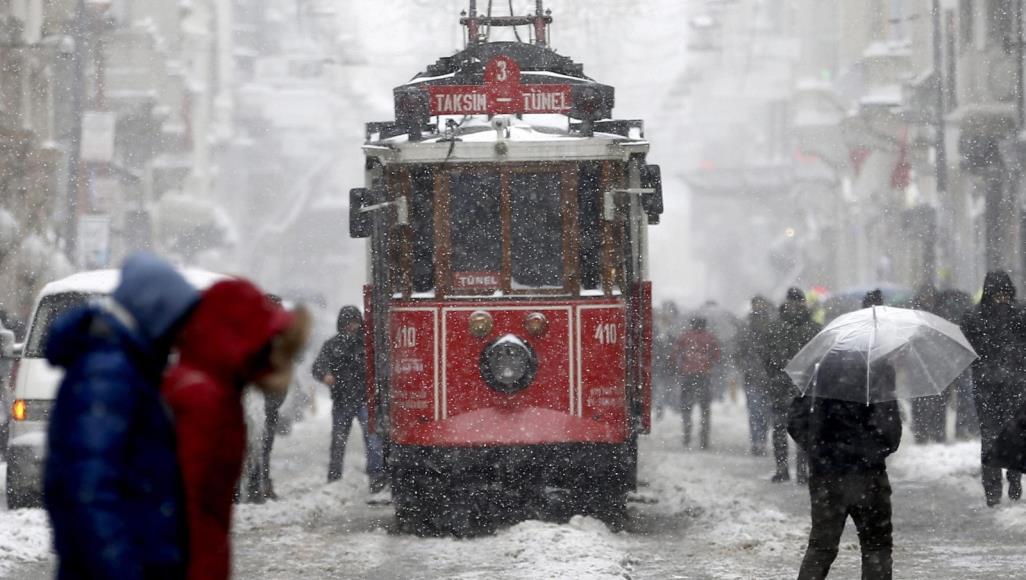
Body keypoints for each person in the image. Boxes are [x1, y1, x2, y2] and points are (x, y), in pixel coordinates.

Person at [43, 253, 199, 579]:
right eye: (174, 321)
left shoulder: (123, 365)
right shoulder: (108, 372)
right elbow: (90, 491)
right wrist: (121, 568)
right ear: (153, 312)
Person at [162, 279, 309, 580]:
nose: (272, 350)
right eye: (265, 340)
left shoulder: (221, 391)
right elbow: (183, 514)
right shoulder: (201, 399)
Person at [788, 353, 902, 580]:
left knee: (821, 545)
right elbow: (890, 431)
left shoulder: (817, 367)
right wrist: (872, 451)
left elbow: (795, 420)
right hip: (869, 475)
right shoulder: (878, 368)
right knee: (876, 545)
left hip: (826, 474)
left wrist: (818, 448)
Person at [961, 271, 1025, 506]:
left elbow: (965, 350)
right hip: (1009, 385)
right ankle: (1001, 486)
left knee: (993, 437)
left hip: (990, 385)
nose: (1001, 298)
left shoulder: (973, 316)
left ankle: (997, 488)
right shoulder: (1020, 313)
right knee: (1003, 436)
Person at [313, 305, 387, 490]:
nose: (352, 327)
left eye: (354, 322)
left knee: (372, 441)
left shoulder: (367, 344)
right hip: (343, 400)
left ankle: (376, 477)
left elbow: (380, 368)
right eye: (349, 323)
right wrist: (325, 376)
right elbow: (317, 368)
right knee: (340, 441)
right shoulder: (333, 345)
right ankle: (335, 477)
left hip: (363, 400)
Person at [767, 287, 821, 484]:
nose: (795, 306)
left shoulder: (813, 329)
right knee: (782, 428)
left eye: (798, 302)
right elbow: (767, 356)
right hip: (784, 386)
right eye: (792, 301)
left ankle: (800, 471)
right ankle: (784, 469)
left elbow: (820, 357)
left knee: (801, 430)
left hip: (804, 387)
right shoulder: (776, 328)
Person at [673, 316, 722, 449]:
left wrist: (682, 365)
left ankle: (687, 434)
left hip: (688, 376)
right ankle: (704, 438)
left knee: (686, 407)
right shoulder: (710, 338)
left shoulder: (685, 336)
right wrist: (708, 361)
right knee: (705, 408)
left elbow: (675, 353)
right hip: (704, 376)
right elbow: (717, 356)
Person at [735, 295, 774, 455]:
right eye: (756, 304)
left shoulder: (773, 326)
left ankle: (761, 440)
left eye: (761, 304)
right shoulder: (745, 327)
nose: (759, 307)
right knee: (754, 410)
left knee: (764, 412)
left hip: (768, 377)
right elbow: (738, 352)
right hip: (752, 377)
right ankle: (757, 441)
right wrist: (745, 366)